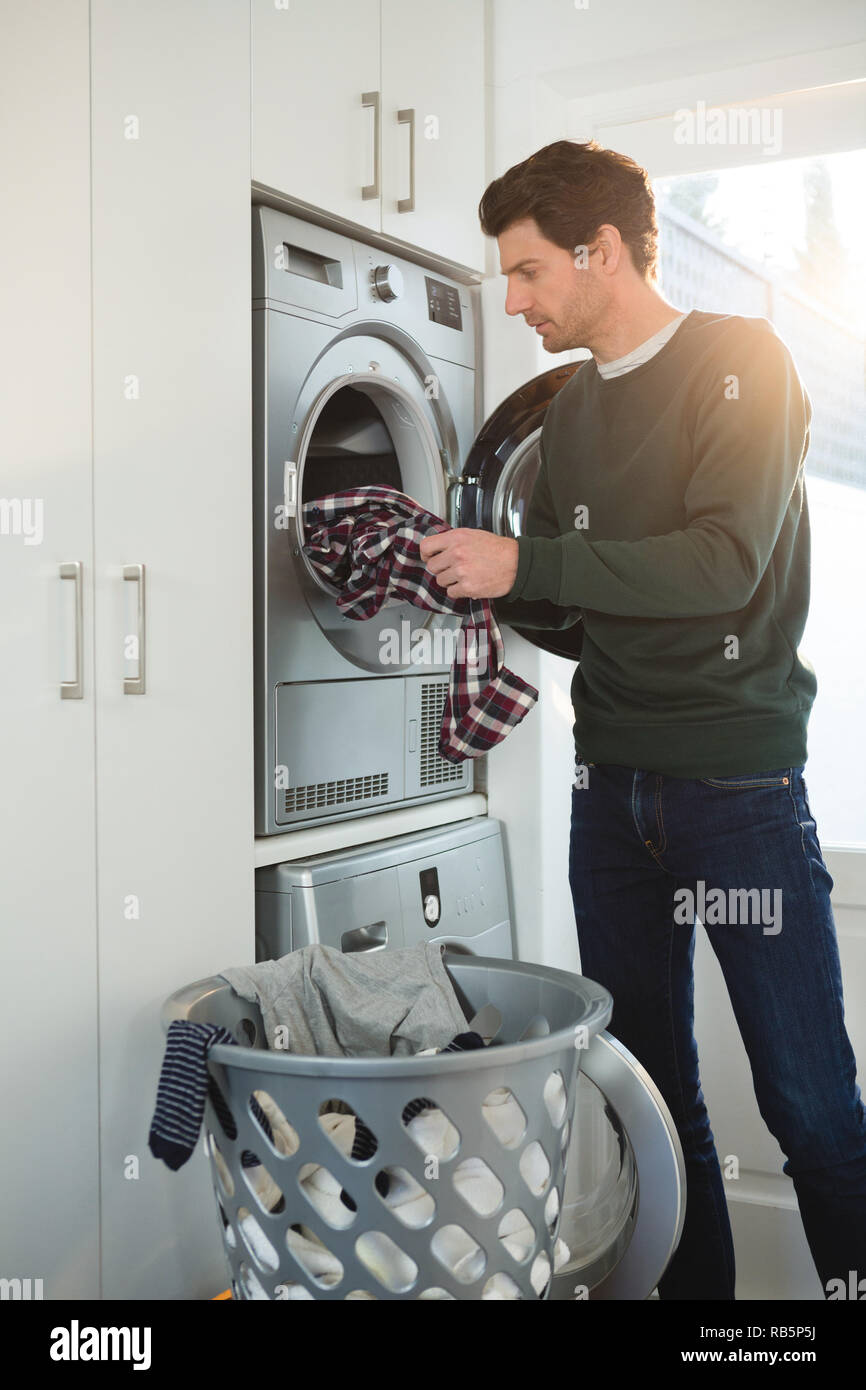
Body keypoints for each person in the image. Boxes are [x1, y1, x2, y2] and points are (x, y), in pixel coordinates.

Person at [418, 139, 866, 1301]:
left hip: (735, 796)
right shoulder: (568, 417)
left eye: (525, 274)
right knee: (650, 1103)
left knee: (810, 1109)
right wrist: (494, 582)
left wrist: (532, 557)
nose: (510, 300)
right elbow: (583, 604)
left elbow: (720, 566)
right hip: (607, 795)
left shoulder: (742, 362)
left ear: (598, 250)